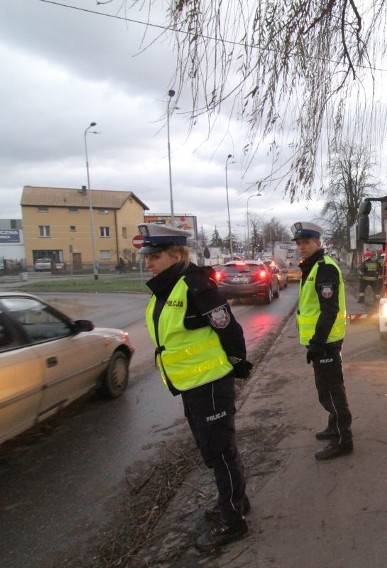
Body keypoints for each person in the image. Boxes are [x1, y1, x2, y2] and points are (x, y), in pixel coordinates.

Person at [138, 223, 253, 553]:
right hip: (191, 384)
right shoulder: (167, 287)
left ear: (176, 254)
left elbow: (228, 328)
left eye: (155, 256)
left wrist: (236, 361)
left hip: (211, 383)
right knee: (215, 450)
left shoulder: (195, 285)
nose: (149, 263)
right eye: (147, 256)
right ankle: (236, 502)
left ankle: (232, 522)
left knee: (219, 452)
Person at [292, 221, 353, 460]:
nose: (301, 247)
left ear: (318, 243)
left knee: (332, 390)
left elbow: (329, 310)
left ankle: (343, 439)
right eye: (298, 243)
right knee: (326, 388)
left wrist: (317, 343)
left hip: (326, 341)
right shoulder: (312, 267)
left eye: (306, 242)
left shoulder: (324, 268)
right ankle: (333, 426)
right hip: (320, 340)